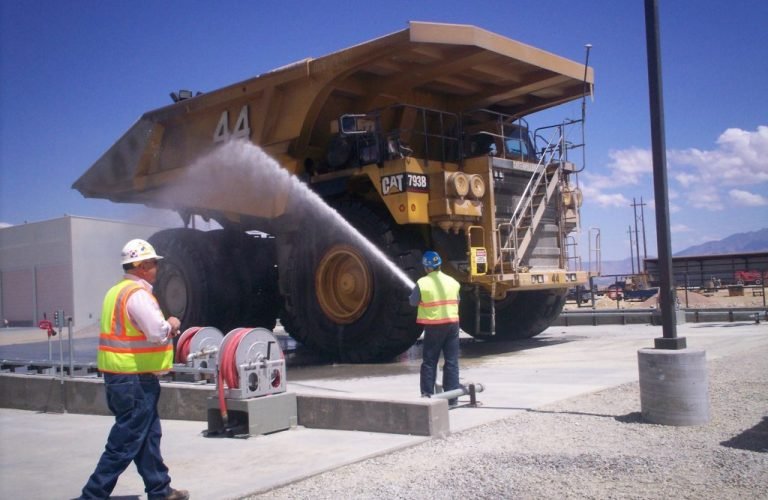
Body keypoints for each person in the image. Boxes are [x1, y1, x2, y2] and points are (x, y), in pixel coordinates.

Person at [80, 239, 188, 500]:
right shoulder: (138, 295)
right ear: (141, 266)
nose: (157, 269)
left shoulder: (115, 291)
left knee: (148, 437)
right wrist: (172, 323)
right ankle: (92, 495)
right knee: (124, 442)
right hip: (134, 381)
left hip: (121, 378)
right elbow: (156, 332)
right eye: (153, 264)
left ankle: (160, 489)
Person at [409, 250, 461, 406]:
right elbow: (457, 301)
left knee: (429, 362)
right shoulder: (453, 281)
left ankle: (427, 396)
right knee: (451, 362)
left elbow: (413, 302)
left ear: (427, 267)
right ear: (439, 265)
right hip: (452, 325)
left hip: (434, 326)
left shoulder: (422, 283)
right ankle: (452, 398)